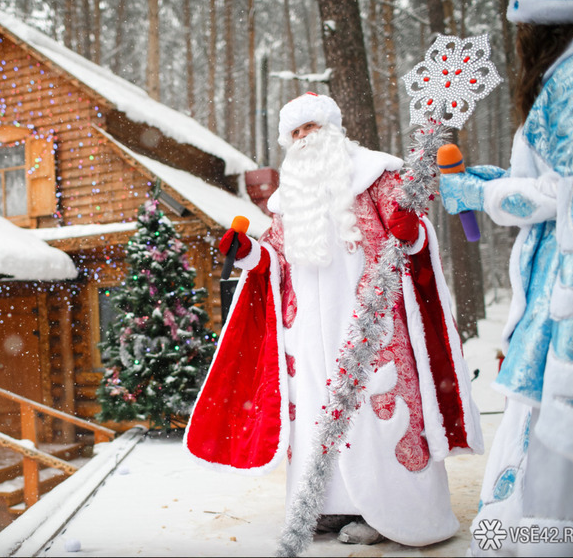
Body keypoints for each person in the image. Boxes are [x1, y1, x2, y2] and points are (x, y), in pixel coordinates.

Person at [184, 92, 483, 546]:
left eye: (312, 128)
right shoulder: (289, 201)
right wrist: (247, 254)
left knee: (376, 417)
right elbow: (275, 259)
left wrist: (414, 233)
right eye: (296, 133)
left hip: (372, 328)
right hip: (307, 338)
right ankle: (327, 506)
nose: (304, 139)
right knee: (315, 422)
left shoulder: (377, 175)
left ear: (333, 129)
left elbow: (414, 235)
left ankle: (390, 513)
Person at [438, 1, 573, 555]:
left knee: (558, 476)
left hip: (570, 303)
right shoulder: (570, 72)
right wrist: (498, 183)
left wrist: (483, 195)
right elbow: (556, 181)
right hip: (554, 290)